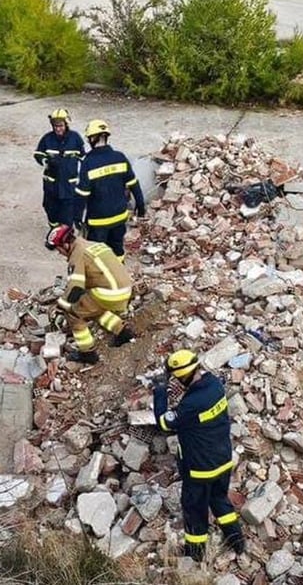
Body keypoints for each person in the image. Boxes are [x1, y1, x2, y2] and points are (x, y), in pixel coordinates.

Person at [152, 349, 246, 561]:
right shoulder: (214, 385)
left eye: (177, 378)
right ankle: (237, 541)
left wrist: (160, 392)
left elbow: (165, 423)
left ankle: (195, 554)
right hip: (222, 459)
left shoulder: (191, 405)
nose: (176, 382)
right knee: (219, 499)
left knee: (194, 509)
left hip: (201, 469)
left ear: (184, 375)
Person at [46, 224, 134, 364]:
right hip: (124, 288)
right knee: (92, 308)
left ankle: (87, 354)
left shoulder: (78, 254)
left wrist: (62, 306)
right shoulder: (91, 244)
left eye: (59, 249)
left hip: (109, 293)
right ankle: (122, 332)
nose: (60, 253)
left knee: (75, 314)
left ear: (66, 245)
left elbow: (75, 287)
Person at [75, 119, 145, 262]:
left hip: (98, 221)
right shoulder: (120, 157)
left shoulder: (88, 163)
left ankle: (103, 281)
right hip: (120, 217)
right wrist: (141, 206)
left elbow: (82, 195)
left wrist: (77, 218)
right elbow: (134, 184)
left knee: (97, 255)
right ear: (106, 136)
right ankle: (120, 274)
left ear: (92, 138)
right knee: (117, 249)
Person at [34, 108, 85, 229]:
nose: (58, 129)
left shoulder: (75, 138)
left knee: (67, 211)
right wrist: (46, 161)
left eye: (60, 125)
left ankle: (66, 236)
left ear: (66, 124)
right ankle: (54, 231)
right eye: (55, 126)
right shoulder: (47, 139)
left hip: (69, 184)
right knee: (50, 208)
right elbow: (38, 154)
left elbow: (83, 157)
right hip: (52, 183)